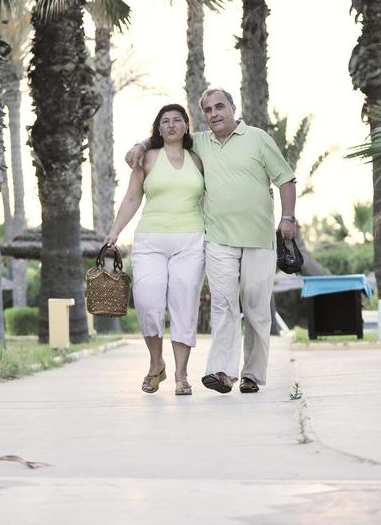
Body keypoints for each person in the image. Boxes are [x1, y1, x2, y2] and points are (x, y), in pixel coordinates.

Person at [126, 88, 296, 395]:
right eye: (207, 109)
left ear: (233, 108)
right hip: (218, 239)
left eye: (220, 106)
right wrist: (141, 143)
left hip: (258, 239)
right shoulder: (200, 143)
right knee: (223, 305)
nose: (214, 113)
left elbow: (285, 178)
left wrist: (288, 218)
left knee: (257, 309)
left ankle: (252, 375)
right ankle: (223, 372)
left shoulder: (257, 138)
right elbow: (166, 137)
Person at [105, 103, 205, 396]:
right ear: (158, 129)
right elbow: (132, 199)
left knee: (185, 305)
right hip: (150, 240)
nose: (171, 125)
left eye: (177, 120)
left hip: (190, 240)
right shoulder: (147, 158)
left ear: (186, 126)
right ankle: (156, 363)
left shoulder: (198, 159)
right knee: (148, 302)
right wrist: (113, 233)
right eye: (165, 121)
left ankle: (182, 374)